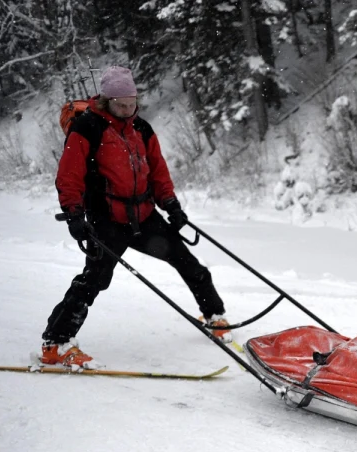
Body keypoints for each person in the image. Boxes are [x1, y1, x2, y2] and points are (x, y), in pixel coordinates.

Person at [41, 65, 231, 369]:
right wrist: (75, 214)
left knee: (187, 261)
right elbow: (69, 176)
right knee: (94, 281)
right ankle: (55, 342)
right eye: (122, 105)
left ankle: (215, 316)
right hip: (108, 220)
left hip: (144, 216)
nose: (129, 110)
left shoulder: (141, 128)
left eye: (133, 103)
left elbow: (157, 170)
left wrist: (172, 206)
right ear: (106, 101)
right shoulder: (87, 128)